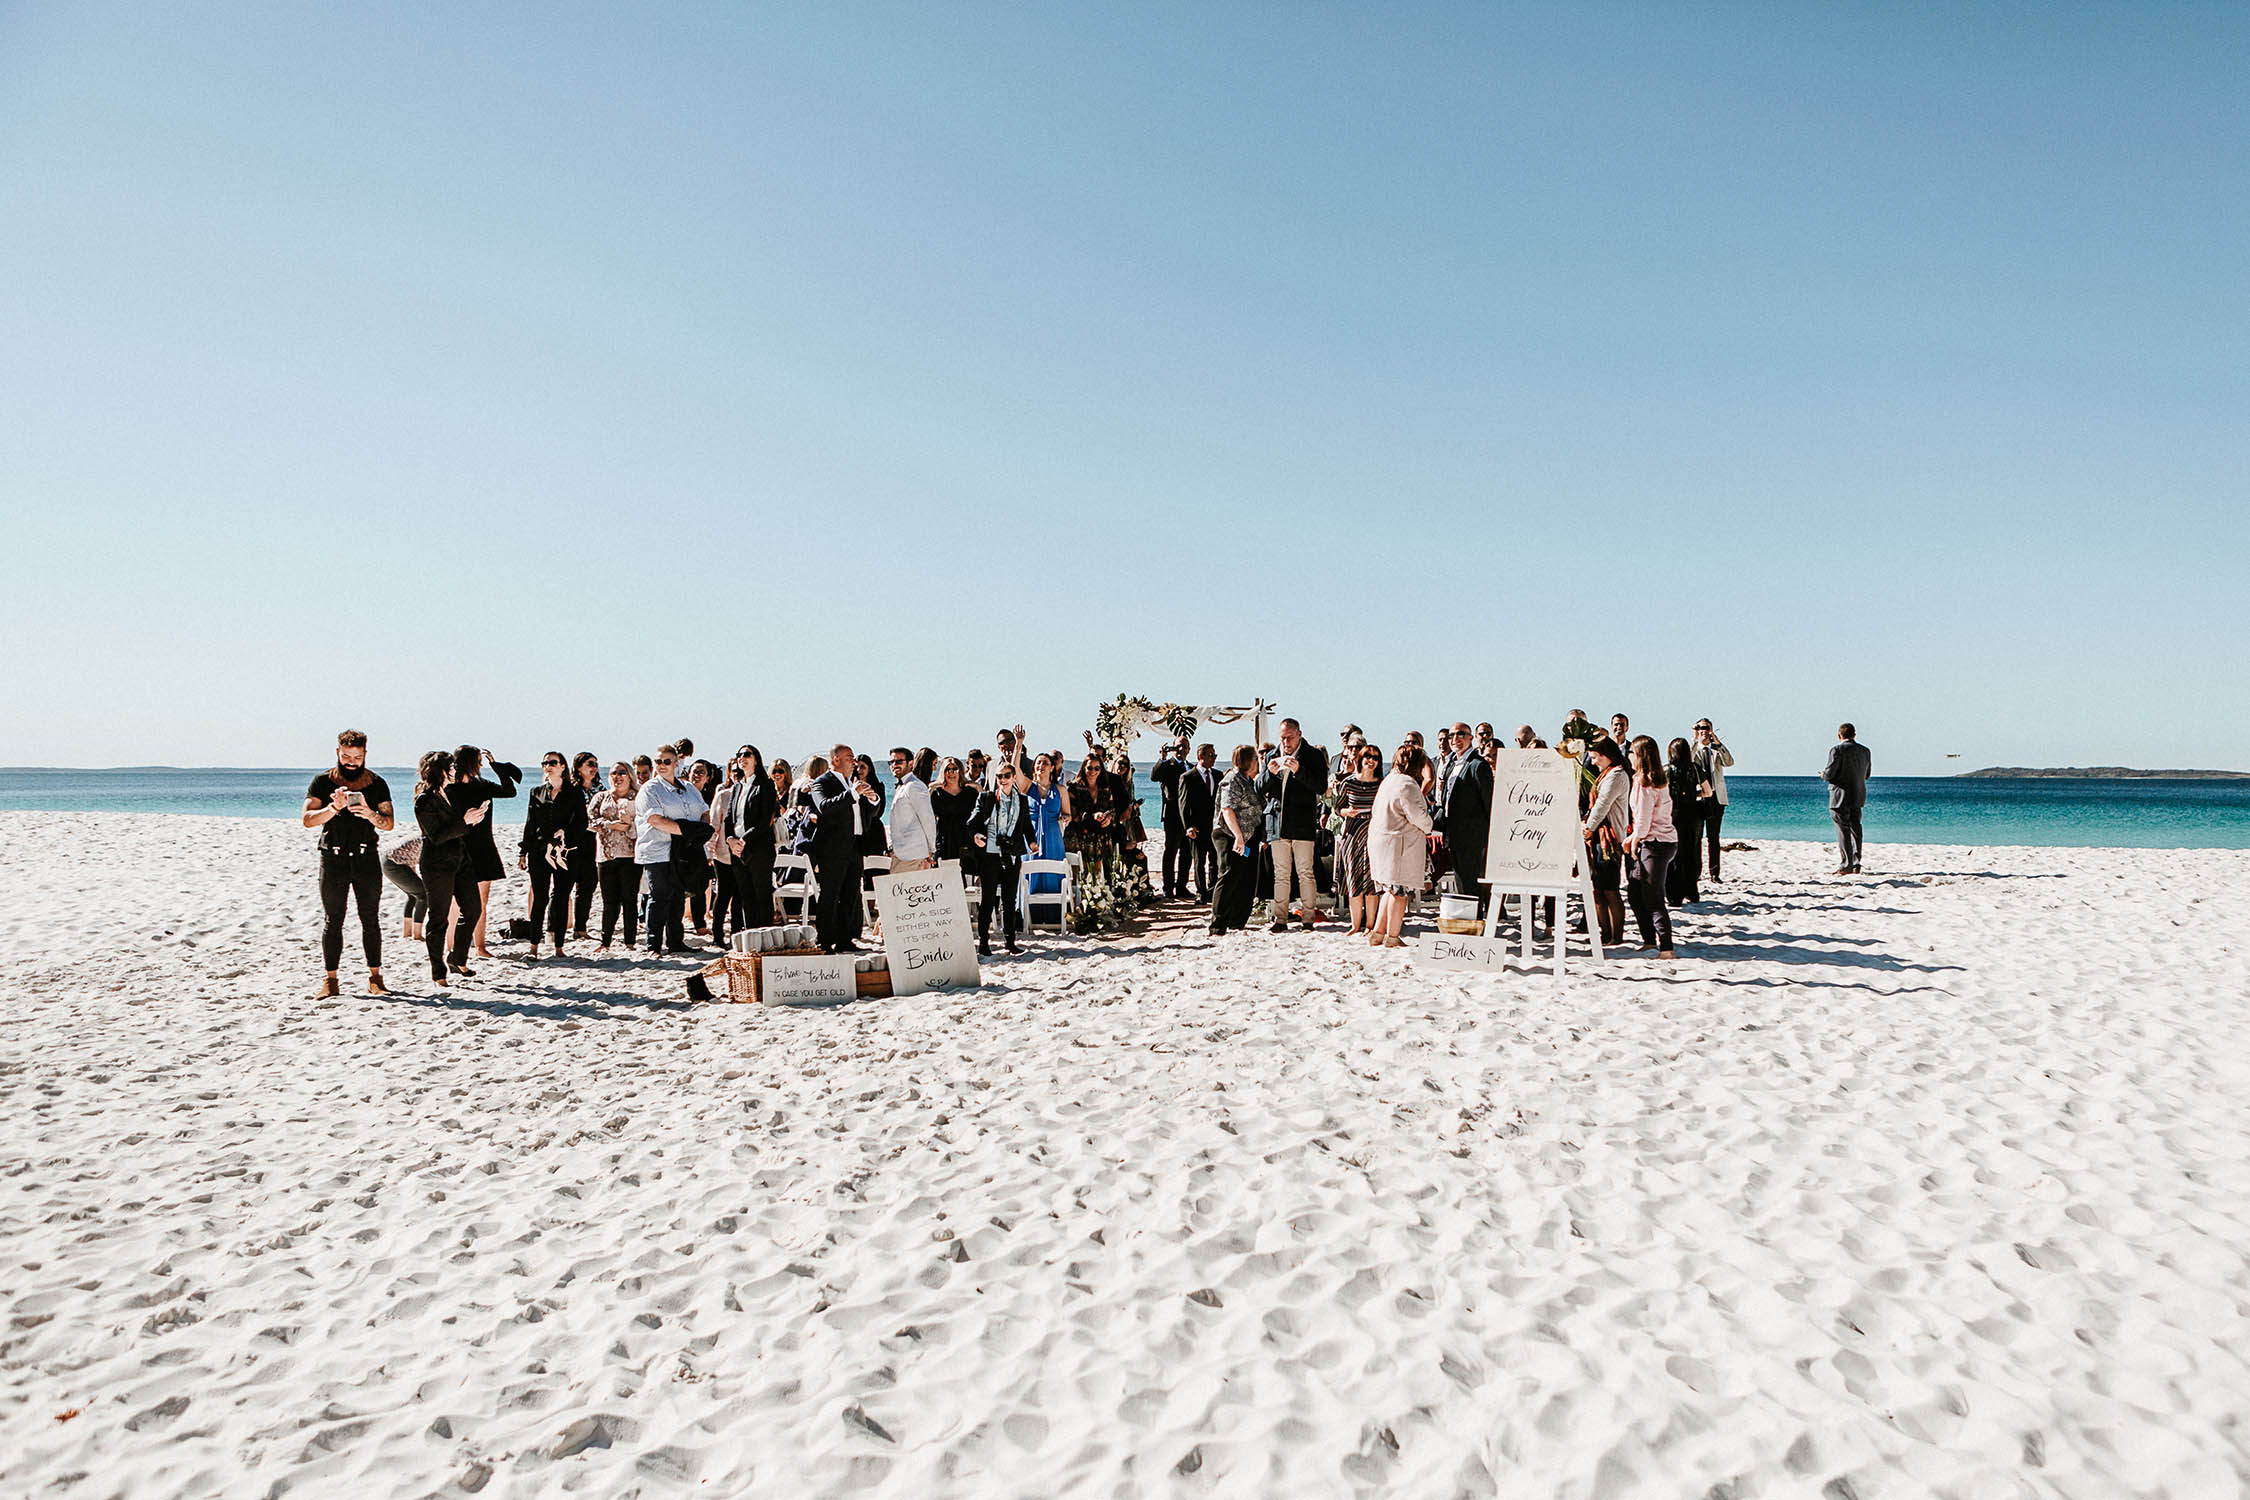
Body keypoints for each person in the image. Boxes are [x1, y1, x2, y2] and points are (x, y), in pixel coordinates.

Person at [302, 729, 395, 998]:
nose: (351, 762)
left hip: (366, 859)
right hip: (333, 859)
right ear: (337, 753)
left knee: (370, 919)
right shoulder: (321, 782)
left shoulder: (377, 784)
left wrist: (368, 813)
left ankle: (375, 978)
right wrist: (333, 808)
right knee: (333, 919)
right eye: (346, 756)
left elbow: (388, 824)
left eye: (357, 756)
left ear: (365, 754)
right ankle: (330, 981)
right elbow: (307, 820)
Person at [414, 750, 486, 985]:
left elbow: (457, 826)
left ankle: (457, 958)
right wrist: (464, 822)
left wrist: (472, 819)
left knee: (474, 909)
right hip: (437, 865)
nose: (455, 771)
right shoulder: (424, 799)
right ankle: (438, 973)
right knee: (438, 919)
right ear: (440, 771)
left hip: (460, 860)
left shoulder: (450, 793)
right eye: (451, 767)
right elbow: (435, 835)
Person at [634, 745, 709, 956]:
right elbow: (655, 819)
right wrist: (687, 830)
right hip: (657, 850)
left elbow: (704, 811)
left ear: (676, 763)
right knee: (659, 896)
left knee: (678, 896)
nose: (662, 765)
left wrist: (699, 832)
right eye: (658, 761)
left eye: (667, 761)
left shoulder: (689, 788)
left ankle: (676, 941)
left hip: (684, 852)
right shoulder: (650, 789)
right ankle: (653, 945)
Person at [448, 746, 519, 960]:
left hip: (483, 847)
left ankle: (480, 947)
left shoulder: (483, 785)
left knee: (481, 901)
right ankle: (451, 947)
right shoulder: (450, 788)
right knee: (455, 902)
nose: (480, 764)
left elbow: (510, 791)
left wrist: (496, 766)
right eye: (478, 760)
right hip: (458, 846)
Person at [1259, 719, 1330, 931]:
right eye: (1282, 738)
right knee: (1280, 873)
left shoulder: (1313, 755)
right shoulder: (1272, 755)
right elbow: (1258, 787)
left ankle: (1308, 918)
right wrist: (1269, 774)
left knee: (1305, 872)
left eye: (1289, 737)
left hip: (1302, 822)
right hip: (1277, 822)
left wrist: (1299, 771)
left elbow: (1320, 786)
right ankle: (1280, 919)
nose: (1286, 742)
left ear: (1299, 734)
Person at [518, 751, 588, 959]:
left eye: (553, 762)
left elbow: (582, 822)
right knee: (539, 899)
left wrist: (566, 832)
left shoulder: (574, 792)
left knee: (560, 897)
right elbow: (530, 823)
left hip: (564, 852)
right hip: (538, 851)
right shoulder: (536, 791)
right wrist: (523, 851)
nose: (548, 766)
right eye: (545, 763)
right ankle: (533, 947)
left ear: (563, 766)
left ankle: (559, 947)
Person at [969, 759, 1039, 954]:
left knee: (1009, 901)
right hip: (990, 854)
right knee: (988, 900)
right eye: (999, 776)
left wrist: (1032, 843)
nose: (1003, 779)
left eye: (1007, 775)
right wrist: (976, 836)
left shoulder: (1022, 800)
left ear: (1014, 777)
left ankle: (1010, 941)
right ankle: (984, 942)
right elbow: (972, 823)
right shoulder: (986, 798)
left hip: (1012, 854)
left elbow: (1026, 826)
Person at [1368, 743, 1434, 949]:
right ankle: (1393, 936)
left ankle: (1378, 933)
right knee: (1400, 893)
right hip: (1399, 846)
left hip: (1382, 842)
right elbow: (1417, 816)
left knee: (1389, 889)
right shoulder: (1407, 785)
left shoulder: (1388, 780)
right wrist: (1430, 825)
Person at [806, 744, 871, 952]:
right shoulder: (821, 782)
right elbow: (825, 806)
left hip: (854, 845)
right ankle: (824, 941)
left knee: (851, 895)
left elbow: (861, 812)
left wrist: (872, 798)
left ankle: (845, 939)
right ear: (836, 760)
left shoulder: (850, 782)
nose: (853, 762)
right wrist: (853, 793)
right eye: (849, 757)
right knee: (830, 896)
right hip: (833, 848)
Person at [1625, 736, 1679, 957]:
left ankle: (1666, 947)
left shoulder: (1645, 783)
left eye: (1632, 753)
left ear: (1640, 756)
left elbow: (1643, 820)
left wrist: (1633, 840)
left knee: (1653, 895)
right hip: (1662, 841)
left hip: (1655, 843)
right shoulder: (1657, 780)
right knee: (1635, 892)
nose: (1628, 756)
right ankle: (1649, 939)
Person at [1435, 722, 1494, 914]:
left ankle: (1475, 921)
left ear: (1471, 738)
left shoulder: (1478, 765)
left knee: (1471, 882)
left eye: (1461, 734)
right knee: (1461, 881)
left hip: (1472, 835)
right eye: (1451, 735)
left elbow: (1489, 803)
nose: (1455, 739)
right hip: (1454, 833)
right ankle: (1467, 922)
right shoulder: (1452, 764)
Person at [1207, 745, 1265, 936]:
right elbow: (1227, 810)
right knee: (1229, 875)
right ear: (1249, 761)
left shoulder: (1249, 781)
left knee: (1247, 878)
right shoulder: (1232, 780)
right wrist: (1238, 836)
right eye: (1256, 759)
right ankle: (1218, 923)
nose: (1259, 762)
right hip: (1229, 835)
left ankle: (1237, 920)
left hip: (1249, 837)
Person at [722, 744, 779, 932]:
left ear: (756, 759)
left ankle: (765, 935)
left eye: (747, 754)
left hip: (759, 847)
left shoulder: (766, 784)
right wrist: (730, 839)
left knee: (762, 894)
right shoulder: (738, 786)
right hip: (737, 849)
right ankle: (751, 935)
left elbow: (765, 820)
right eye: (739, 755)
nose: (742, 758)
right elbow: (729, 818)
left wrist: (743, 840)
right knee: (745, 895)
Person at [586, 762, 640, 951]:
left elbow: (643, 825)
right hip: (605, 855)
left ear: (630, 775)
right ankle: (605, 941)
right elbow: (590, 820)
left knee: (629, 900)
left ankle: (630, 941)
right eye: (613, 773)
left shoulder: (638, 797)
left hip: (630, 855)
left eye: (622, 773)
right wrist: (612, 825)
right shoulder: (601, 797)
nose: (617, 776)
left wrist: (628, 826)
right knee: (609, 901)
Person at [1581, 739, 1630, 947]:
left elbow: (1602, 805)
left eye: (1594, 757)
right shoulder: (1605, 774)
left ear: (1606, 754)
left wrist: (1588, 828)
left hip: (1609, 838)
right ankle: (1604, 932)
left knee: (1610, 888)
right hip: (1599, 835)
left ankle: (1616, 935)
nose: (1593, 762)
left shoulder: (1616, 775)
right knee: (1598, 888)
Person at [1333, 741, 1383, 934]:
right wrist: (1348, 812)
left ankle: (1370, 925)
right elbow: (1338, 808)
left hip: (1374, 834)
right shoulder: (1349, 782)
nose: (1371, 761)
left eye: (1375, 758)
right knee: (1354, 881)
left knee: (1371, 881)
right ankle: (1355, 925)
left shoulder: (1381, 784)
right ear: (1360, 759)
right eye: (1368, 757)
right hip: (1353, 834)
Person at [1824, 723, 1872, 874]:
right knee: (1856, 827)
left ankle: (1846, 864)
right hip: (1857, 793)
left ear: (1839, 736)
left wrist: (1823, 775)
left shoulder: (1836, 750)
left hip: (1840, 795)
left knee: (1843, 829)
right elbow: (1867, 774)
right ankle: (1856, 862)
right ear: (1854, 735)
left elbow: (1829, 774)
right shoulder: (1865, 751)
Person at [1692, 719, 1735, 881]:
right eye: (1700, 728)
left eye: (1706, 728)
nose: (1703, 731)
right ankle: (1696, 872)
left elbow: (1729, 762)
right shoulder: (1694, 750)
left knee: (1714, 837)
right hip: (1698, 798)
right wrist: (1694, 738)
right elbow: (1687, 759)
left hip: (1716, 799)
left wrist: (1718, 743)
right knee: (1696, 838)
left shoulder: (1716, 750)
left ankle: (1714, 873)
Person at [1149, 737, 1190, 898]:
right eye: (1178, 746)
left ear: (1189, 749)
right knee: (1170, 852)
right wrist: (1163, 758)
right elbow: (1154, 776)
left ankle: (1182, 886)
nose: (1182, 749)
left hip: (1188, 817)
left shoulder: (1192, 767)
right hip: (1172, 815)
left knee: (1187, 853)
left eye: (1185, 746)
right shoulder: (1167, 766)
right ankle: (1168, 887)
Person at [886, 747, 938, 871]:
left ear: (911, 763)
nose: (894, 765)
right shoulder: (902, 786)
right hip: (901, 853)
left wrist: (931, 849)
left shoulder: (915, 786)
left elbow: (927, 819)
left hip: (913, 854)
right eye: (891, 762)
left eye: (899, 761)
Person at [1665, 737, 1703, 905]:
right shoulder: (1695, 768)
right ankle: (1692, 890)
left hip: (1673, 813)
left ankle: (1674, 893)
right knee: (1691, 852)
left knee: (1674, 853)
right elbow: (1708, 791)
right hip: (1693, 813)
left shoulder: (1667, 770)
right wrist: (1695, 794)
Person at [1179, 744, 1220, 900]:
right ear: (1200, 757)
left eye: (1215, 755)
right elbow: (1183, 804)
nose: (1214, 759)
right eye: (1211, 755)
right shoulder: (1188, 777)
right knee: (1199, 861)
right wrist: (1188, 826)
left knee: (1214, 860)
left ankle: (1212, 890)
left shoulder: (1218, 775)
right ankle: (1201, 892)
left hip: (1214, 825)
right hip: (1197, 826)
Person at [683, 759, 720, 934]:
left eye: (701, 772)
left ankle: (700, 924)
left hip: (703, 845)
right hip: (683, 843)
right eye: (694, 771)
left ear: (708, 777)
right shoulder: (680, 792)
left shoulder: (710, 796)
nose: (697, 775)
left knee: (701, 885)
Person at [568, 753, 601, 938]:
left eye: (596, 764)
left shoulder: (600, 788)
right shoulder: (571, 789)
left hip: (594, 841)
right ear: (579, 767)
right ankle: (553, 928)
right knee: (564, 886)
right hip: (574, 840)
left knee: (588, 884)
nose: (594, 767)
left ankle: (580, 928)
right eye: (590, 764)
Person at [1025, 754, 1067, 898]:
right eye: (1038, 762)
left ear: (1052, 768)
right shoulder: (1027, 787)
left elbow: (1067, 813)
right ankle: (1028, 916)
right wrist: (1018, 745)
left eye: (1045, 763)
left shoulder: (1061, 790)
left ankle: (1055, 915)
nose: (1041, 766)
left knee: (1054, 874)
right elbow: (1015, 771)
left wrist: (1066, 818)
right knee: (1030, 873)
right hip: (1031, 836)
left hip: (1053, 836)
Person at [930, 757, 978, 869]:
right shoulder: (937, 793)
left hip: (965, 839)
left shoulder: (969, 792)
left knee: (965, 878)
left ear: (960, 771)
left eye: (954, 769)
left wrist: (978, 787)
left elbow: (985, 810)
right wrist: (930, 790)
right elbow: (927, 815)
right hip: (943, 840)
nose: (951, 773)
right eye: (947, 769)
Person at [380, 833, 426, 945]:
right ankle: (417, 934)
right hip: (393, 863)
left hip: (388, 860)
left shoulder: (424, 836)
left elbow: (410, 857)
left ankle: (407, 932)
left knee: (413, 895)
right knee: (423, 895)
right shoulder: (430, 841)